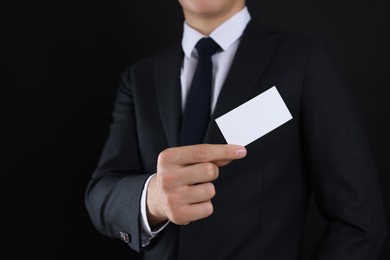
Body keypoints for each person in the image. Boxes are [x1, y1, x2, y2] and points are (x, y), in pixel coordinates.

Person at [85, 0, 387, 259]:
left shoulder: (303, 61)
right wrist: (153, 198)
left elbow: (359, 220)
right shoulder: (140, 78)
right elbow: (102, 191)